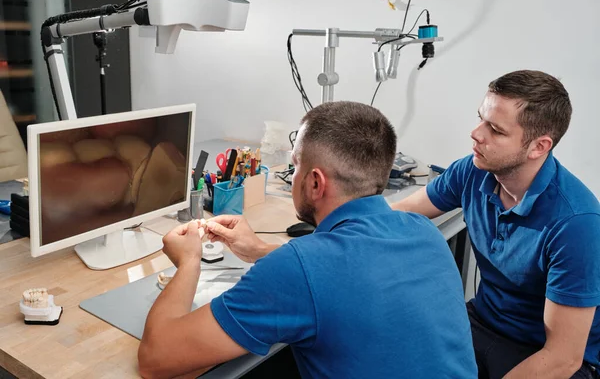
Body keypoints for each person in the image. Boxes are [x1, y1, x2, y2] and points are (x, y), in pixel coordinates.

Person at [138, 101, 477, 378]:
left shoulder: (300, 267)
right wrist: (258, 250)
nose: (293, 173)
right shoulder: (422, 231)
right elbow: (347, 268)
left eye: (295, 165)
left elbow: (156, 359)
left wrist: (189, 261)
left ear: (316, 183)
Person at [392, 70, 600, 378]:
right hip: (483, 323)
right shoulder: (472, 170)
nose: (476, 133)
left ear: (539, 147)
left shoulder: (576, 225)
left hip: (546, 355)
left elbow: (562, 359)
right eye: (481, 119)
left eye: (496, 130)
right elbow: (402, 212)